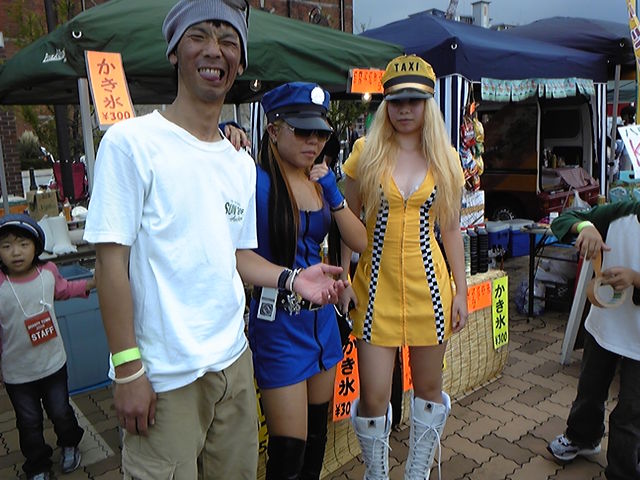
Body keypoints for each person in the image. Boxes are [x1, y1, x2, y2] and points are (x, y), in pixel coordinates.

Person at [83, 1, 345, 478]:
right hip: (165, 377)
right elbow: (110, 265)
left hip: (233, 362)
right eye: (199, 36)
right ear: (174, 51)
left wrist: (291, 279)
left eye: (228, 41)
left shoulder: (238, 163)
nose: (214, 50)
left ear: (239, 63)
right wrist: (128, 368)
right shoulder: (130, 143)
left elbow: (238, 256)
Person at [340, 54, 468, 479]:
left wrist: (462, 291)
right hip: (374, 290)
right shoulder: (365, 154)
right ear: (386, 105)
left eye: (414, 101)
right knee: (374, 397)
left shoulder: (447, 159)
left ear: (428, 104)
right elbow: (346, 220)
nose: (405, 110)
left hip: (431, 291)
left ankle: (417, 473)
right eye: (396, 101)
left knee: (428, 390)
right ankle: (376, 474)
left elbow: (451, 229)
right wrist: (342, 277)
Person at [249, 82, 367, 479]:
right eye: (302, 131)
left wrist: (333, 192)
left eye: (320, 133)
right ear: (273, 130)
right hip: (278, 324)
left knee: (317, 439)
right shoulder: (253, 181)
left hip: (321, 322)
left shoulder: (319, 180)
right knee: (289, 452)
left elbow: (360, 240)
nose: (313, 141)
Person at [548, 200, 640, 480]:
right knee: (590, 389)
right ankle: (582, 437)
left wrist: (635, 278)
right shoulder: (622, 213)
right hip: (605, 326)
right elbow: (562, 220)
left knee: (631, 412)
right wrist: (585, 227)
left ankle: (623, 471)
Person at [0, 214, 96, 480]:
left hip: (53, 363)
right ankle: (38, 465)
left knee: (60, 411)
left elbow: (64, 290)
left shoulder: (48, 273)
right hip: (17, 373)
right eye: (6, 246)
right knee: (28, 422)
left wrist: (90, 283)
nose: (15, 252)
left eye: (23, 244)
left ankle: (69, 444)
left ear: (36, 246)